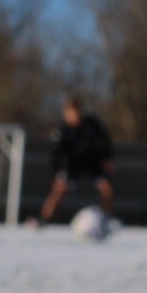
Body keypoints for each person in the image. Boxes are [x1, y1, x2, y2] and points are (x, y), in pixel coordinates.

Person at [35, 97, 115, 226]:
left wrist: (108, 158)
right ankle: (44, 218)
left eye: (77, 113)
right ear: (66, 114)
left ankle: (108, 219)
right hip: (71, 165)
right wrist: (55, 176)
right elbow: (55, 155)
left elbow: (105, 142)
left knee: (106, 187)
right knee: (59, 191)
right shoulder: (61, 130)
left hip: (92, 162)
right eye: (71, 114)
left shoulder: (92, 124)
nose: (75, 117)